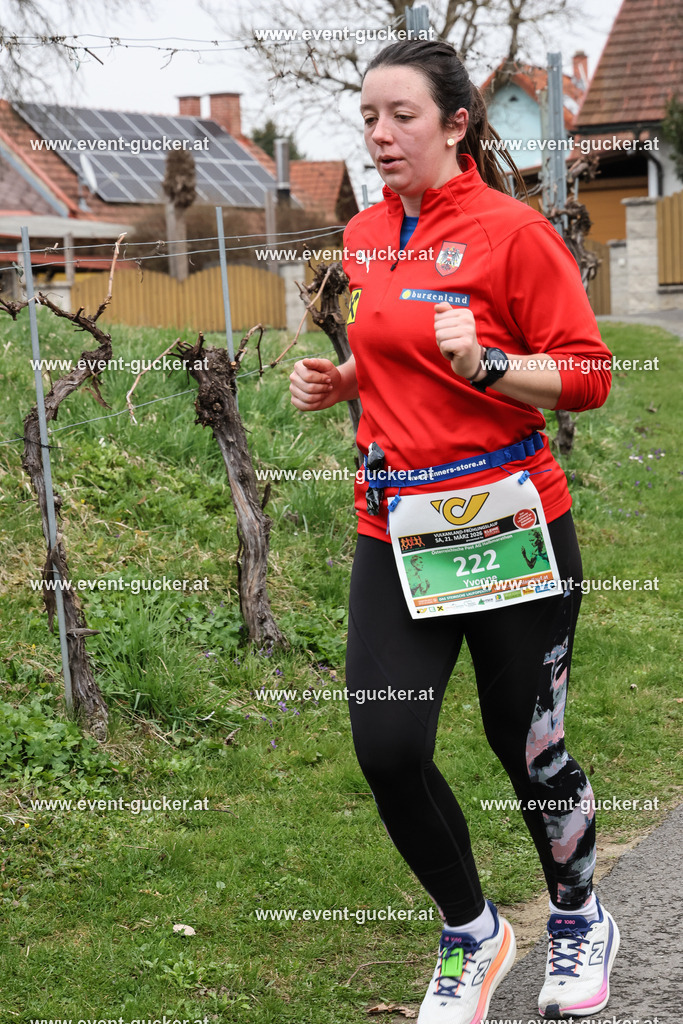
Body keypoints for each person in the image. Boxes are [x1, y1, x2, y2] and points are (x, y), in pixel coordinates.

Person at [289, 39, 619, 1024]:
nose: (379, 135)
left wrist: (486, 364)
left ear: (455, 124)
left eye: (400, 117)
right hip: (395, 526)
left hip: (510, 523)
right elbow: (396, 358)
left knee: (527, 746)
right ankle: (472, 931)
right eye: (368, 119)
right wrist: (341, 380)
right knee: (386, 745)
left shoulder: (513, 235)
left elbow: (587, 374)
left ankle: (576, 917)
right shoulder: (361, 237)